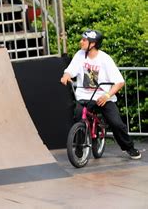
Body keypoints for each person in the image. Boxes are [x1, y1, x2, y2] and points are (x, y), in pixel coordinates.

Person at [60, 29, 141, 160]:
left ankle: (129, 148)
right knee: (79, 116)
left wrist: (107, 96)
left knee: (116, 124)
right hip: (84, 97)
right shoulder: (80, 55)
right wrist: (66, 76)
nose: (81, 42)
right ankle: (79, 147)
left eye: (84, 40)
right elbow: (70, 70)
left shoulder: (105, 59)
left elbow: (120, 82)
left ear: (93, 44)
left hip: (103, 97)